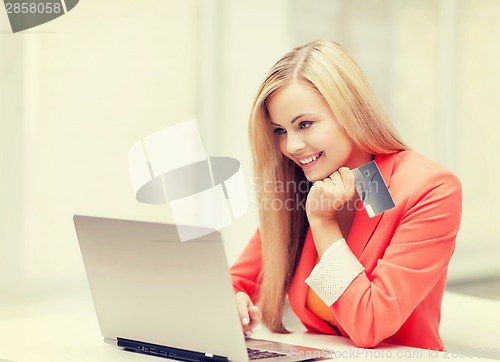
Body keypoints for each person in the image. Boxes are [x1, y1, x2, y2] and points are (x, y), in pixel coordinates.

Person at [229, 40, 462, 351]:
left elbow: (370, 324)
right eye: (280, 131)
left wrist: (323, 223)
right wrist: (234, 302)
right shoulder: (304, 185)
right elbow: (231, 284)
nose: (292, 146)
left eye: (305, 124)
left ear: (349, 111)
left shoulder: (429, 189)